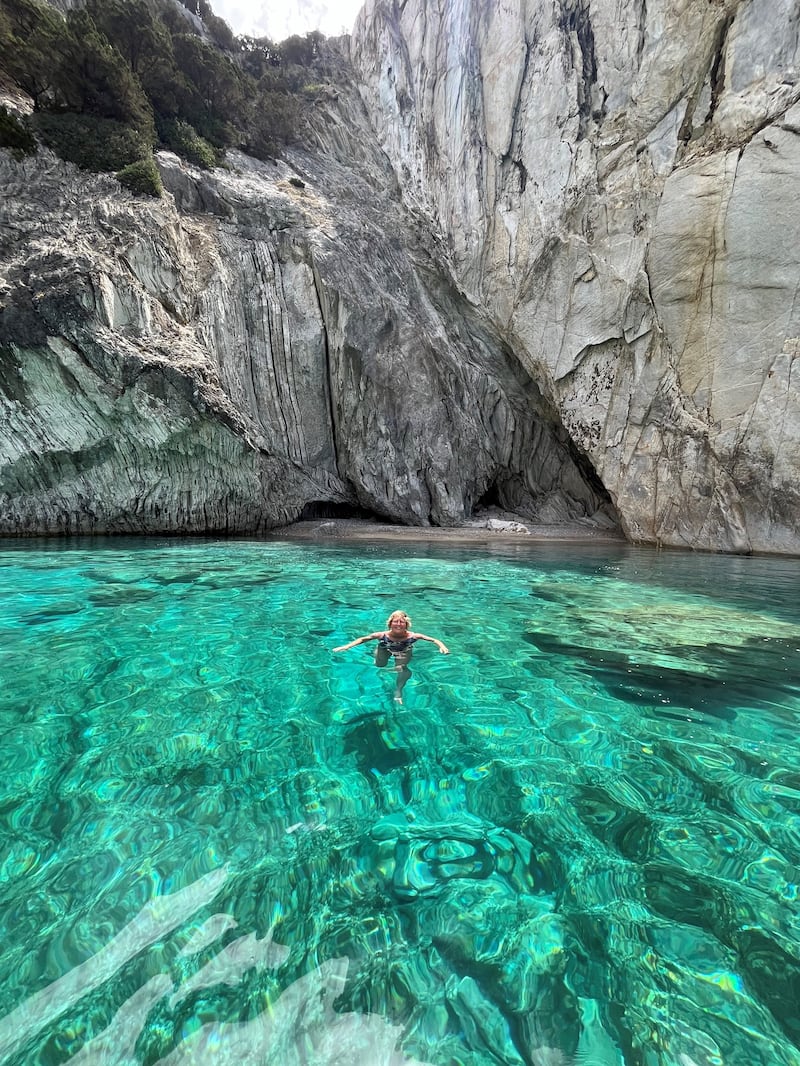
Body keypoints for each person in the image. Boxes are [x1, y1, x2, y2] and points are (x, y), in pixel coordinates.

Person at [333, 610, 449, 702]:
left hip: (404, 650)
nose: (398, 624)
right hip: (385, 647)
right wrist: (347, 646)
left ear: (406, 624)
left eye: (401, 622)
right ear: (390, 623)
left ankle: (398, 691)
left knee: (402, 668)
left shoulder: (413, 636)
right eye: (395, 621)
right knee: (379, 665)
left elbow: (433, 640)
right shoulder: (381, 635)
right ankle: (376, 653)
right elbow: (363, 639)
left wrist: (442, 646)